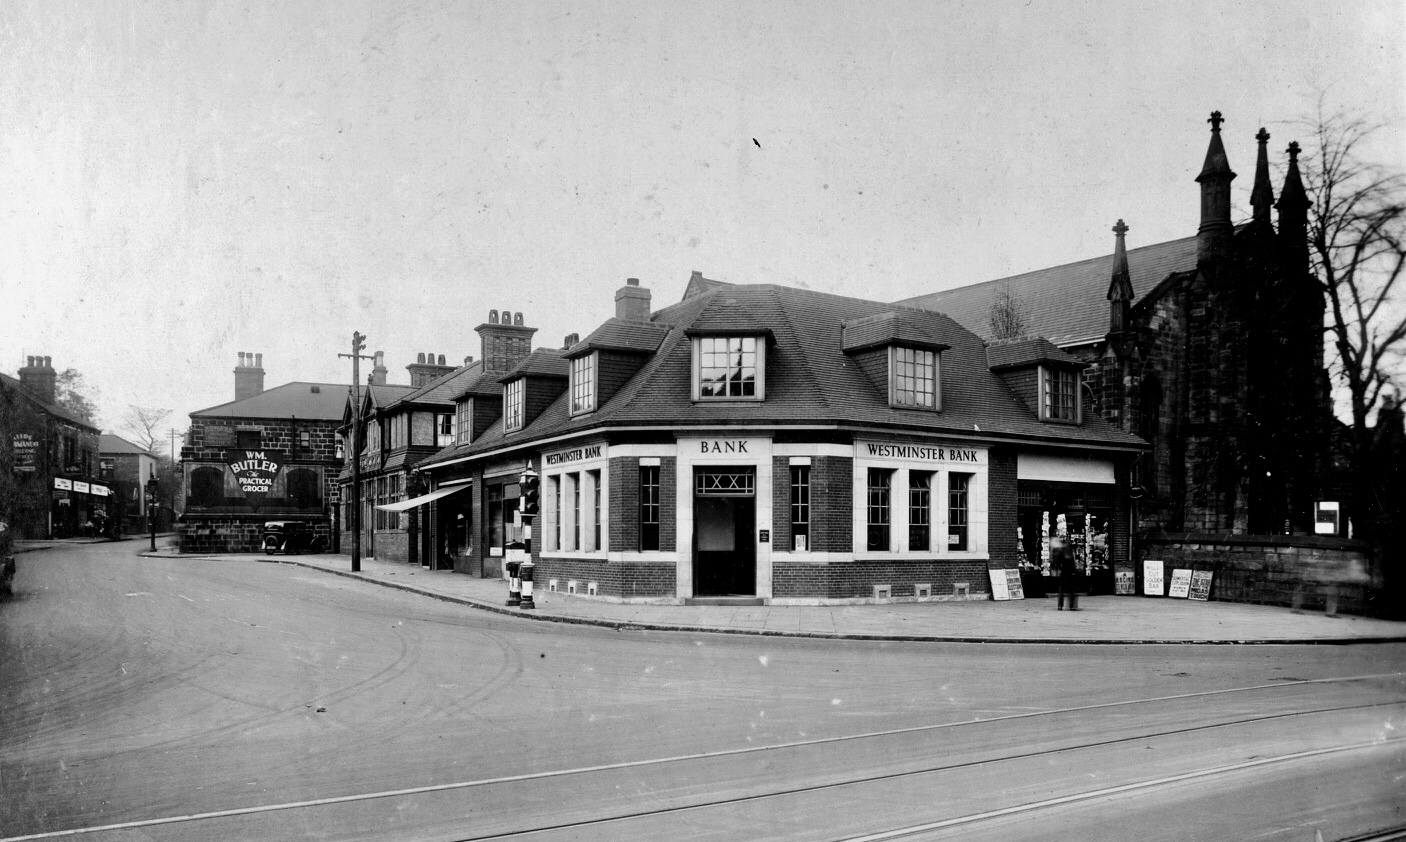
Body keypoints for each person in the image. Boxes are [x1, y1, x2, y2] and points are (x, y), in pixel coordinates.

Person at [1052, 534, 1079, 611]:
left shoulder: (1061, 551)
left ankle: (1060, 605)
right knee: (1071, 590)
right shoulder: (1069, 551)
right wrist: (1074, 571)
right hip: (1069, 573)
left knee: (1062, 590)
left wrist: (1059, 568)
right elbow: (1072, 562)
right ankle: (1071, 606)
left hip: (1064, 572)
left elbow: (1058, 562)